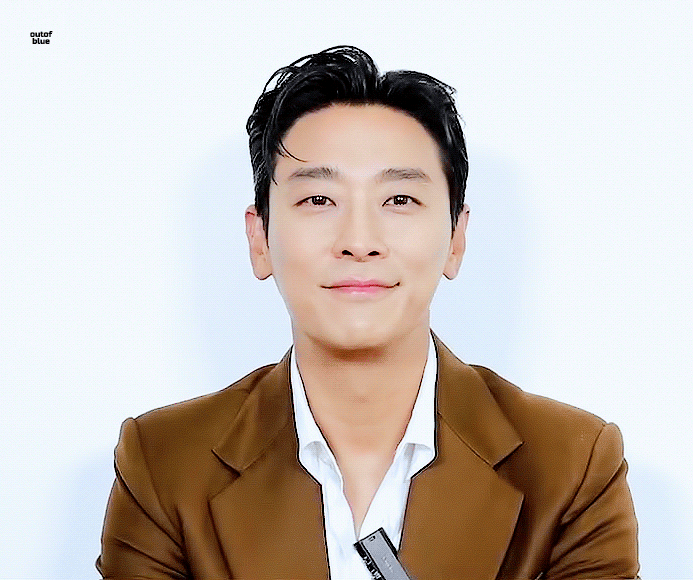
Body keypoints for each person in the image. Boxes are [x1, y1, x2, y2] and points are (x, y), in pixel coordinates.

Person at [97, 46, 639, 579]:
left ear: (456, 238)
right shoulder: (164, 464)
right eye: (318, 200)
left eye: (399, 200)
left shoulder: (572, 467)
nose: (359, 241)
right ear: (259, 239)